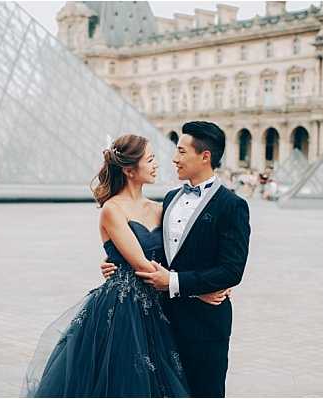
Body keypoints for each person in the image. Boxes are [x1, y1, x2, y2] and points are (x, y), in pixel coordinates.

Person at [21, 134, 226, 397]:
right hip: (122, 311)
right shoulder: (112, 209)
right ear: (130, 170)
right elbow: (142, 264)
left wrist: (215, 279)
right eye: (150, 160)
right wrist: (198, 289)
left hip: (161, 305)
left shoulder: (162, 208)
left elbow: (182, 253)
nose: (157, 165)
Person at [101, 121, 251, 397]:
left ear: (204, 156)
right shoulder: (169, 200)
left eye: (181, 151)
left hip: (205, 321)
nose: (173, 158)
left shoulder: (233, 206)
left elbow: (232, 270)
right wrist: (117, 265)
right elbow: (154, 253)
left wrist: (194, 288)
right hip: (162, 319)